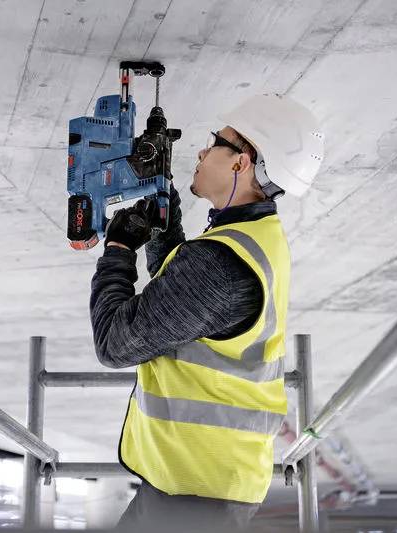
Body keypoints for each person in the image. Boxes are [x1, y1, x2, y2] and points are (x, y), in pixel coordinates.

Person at [89, 93, 324, 531]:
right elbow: (181, 297)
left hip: (193, 498)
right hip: (205, 485)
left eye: (218, 141)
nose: (202, 150)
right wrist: (163, 206)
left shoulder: (223, 264)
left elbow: (115, 343)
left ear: (242, 162)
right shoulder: (253, 234)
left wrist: (118, 252)